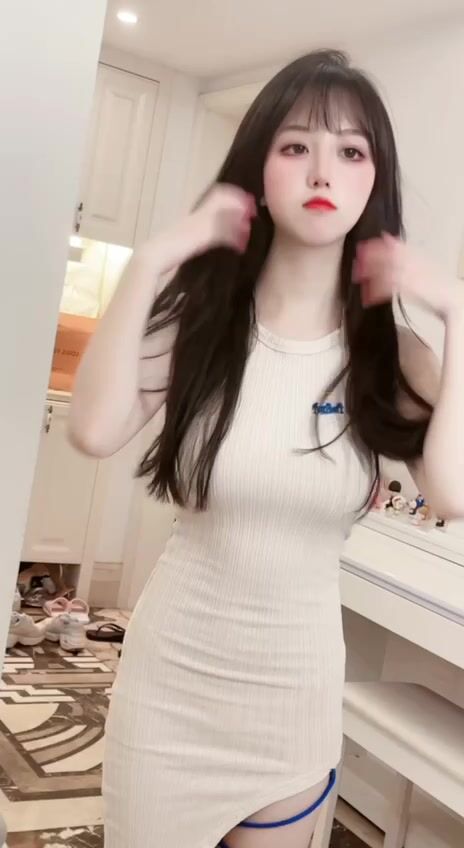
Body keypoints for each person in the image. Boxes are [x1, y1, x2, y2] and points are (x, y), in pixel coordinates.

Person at [69, 49, 464, 848]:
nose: (323, 169)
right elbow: (93, 429)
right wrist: (152, 259)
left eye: (350, 151)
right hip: (171, 695)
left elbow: (453, 493)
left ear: (374, 180)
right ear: (258, 168)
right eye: (295, 146)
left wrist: (459, 314)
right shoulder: (203, 329)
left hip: (291, 706)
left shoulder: (393, 357)